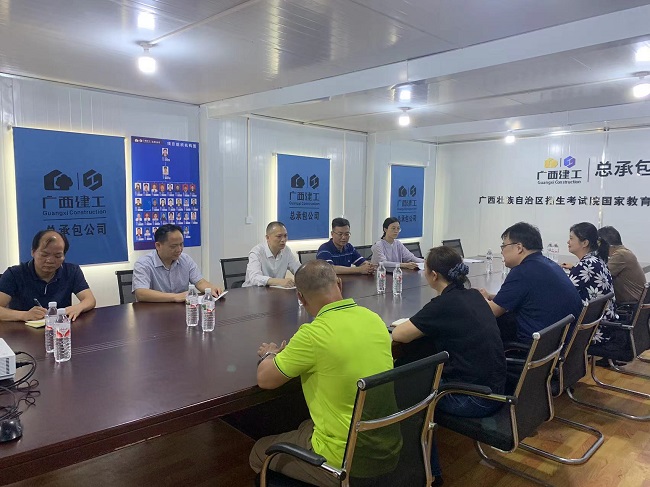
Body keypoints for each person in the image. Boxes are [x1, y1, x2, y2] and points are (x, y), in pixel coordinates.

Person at [250, 260, 396, 486]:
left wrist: (269, 354)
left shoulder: (312, 335)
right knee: (305, 426)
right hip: (389, 446)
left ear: (300, 298)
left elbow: (265, 379)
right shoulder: (373, 318)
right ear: (339, 283)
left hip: (346, 461)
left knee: (259, 452)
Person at [392, 246, 506, 484]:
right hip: (495, 387)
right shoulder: (474, 295)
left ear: (433, 275)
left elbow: (400, 335)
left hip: (474, 398)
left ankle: (429, 474)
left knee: (409, 394)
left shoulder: (443, 305)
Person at [479, 222, 582, 344]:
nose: (502, 251)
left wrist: (477, 298)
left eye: (503, 246)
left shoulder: (522, 272)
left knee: (480, 327)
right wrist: (490, 296)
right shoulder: (548, 264)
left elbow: (491, 312)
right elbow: (523, 297)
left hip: (537, 346)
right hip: (562, 343)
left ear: (519, 247)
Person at [0, 230, 96, 321]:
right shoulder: (14, 274)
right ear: (33, 252)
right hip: (21, 330)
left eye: (57, 256)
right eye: (44, 255)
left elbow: (90, 299)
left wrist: (78, 307)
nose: (50, 260)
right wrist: (24, 315)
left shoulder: (72, 271)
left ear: (64, 256)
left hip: (60, 328)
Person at [132, 224, 223, 302]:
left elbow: (200, 282)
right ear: (158, 245)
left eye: (181, 244)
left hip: (181, 311)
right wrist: (175, 297)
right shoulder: (143, 264)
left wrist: (210, 289)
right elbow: (141, 293)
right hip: (153, 312)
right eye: (173, 246)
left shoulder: (186, 260)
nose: (179, 249)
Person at [561, 222, 616, 320]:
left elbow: (565, 295)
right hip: (604, 320)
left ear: (585, 243)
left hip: (593, 325)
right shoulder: (597, 261)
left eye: (571, 238)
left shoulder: (584, 266)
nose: (568, 242)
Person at [597, 226, 646, 305]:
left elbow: (600, 274)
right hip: (635, 303)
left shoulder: (621, 254)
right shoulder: (624, 252)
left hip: (630, 306)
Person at [243, 221, 301, 288]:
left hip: (275, 291)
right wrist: (279, 281)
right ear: (267, 237)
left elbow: (298, 269)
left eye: (285, 236)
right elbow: (254, 277)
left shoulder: (286, 250)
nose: (283, 240)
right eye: (279, 236)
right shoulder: (257, 252)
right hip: (253, 290)